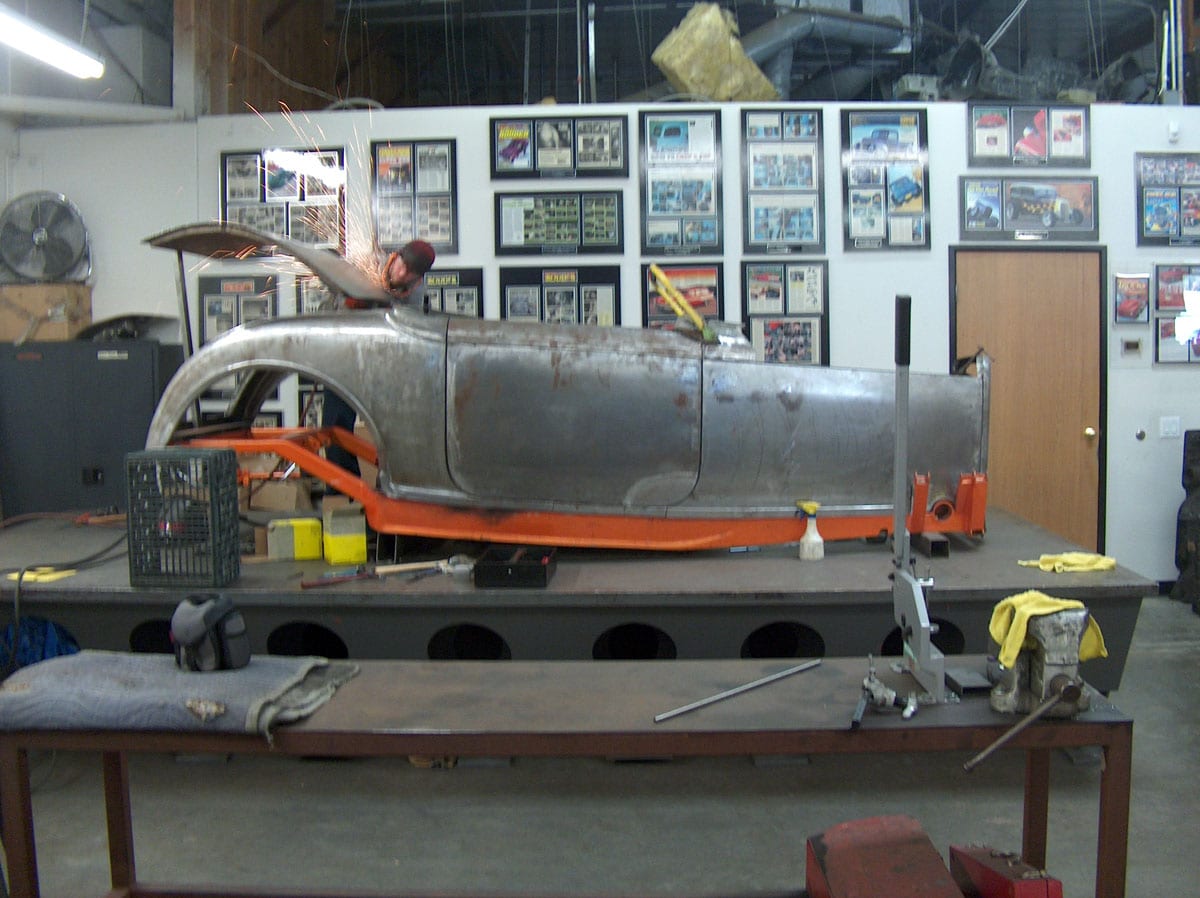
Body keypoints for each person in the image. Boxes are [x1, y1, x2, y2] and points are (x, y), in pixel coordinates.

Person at [323, 239, 436, 477]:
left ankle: (392, 484)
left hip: (382, 364)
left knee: (392, 427)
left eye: (410, 273)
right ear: (396, 257)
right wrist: (349, 305)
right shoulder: (366, 265)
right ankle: (341, 485)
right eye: (401, 266)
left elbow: (406, 334)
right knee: (336, 424)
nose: (402, 274)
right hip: (343, 358)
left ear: (418, 278)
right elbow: (331, 308)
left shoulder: (417, 295)